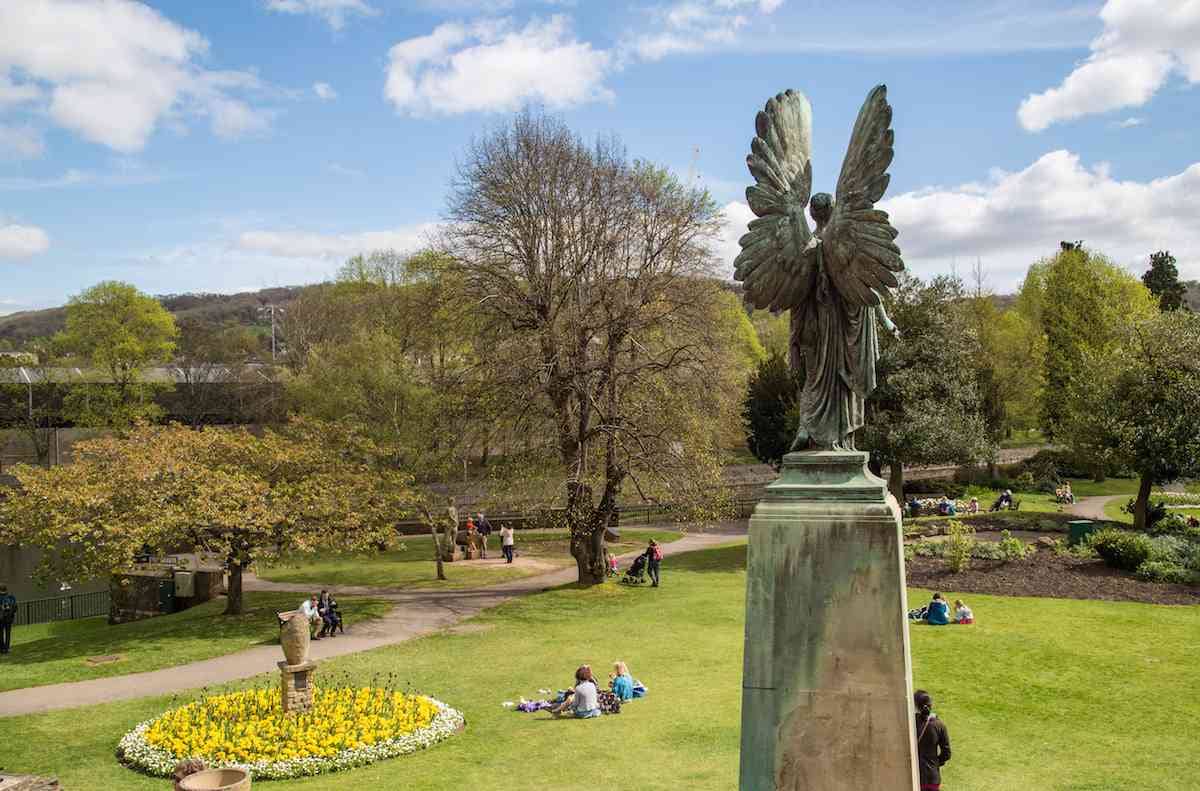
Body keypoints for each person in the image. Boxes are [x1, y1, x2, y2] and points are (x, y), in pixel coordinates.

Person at [914, 690, 951, 790]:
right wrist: (935, 763)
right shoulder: (940, 725)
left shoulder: (911, 723)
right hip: (933, 777)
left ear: (915, 705)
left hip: (916, 776)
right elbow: (947, 753)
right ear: (931, 705)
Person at [0, 584, 16, 655]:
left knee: (0, 633)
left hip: (0, 618)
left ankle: (2, 648)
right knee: (8, 633)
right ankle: (7, 648)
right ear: (6, 589)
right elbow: (15, 607)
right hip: (9, 618)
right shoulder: (11, 597)